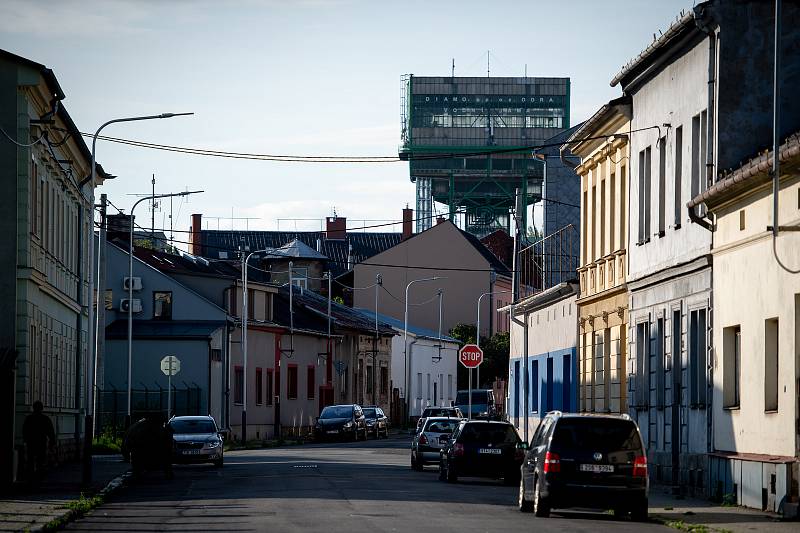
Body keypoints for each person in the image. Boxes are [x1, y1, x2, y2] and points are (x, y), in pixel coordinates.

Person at [22, 400, 56, 484]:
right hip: (41, 441)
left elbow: (25, 430)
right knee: (40, 460)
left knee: (31, 459)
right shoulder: (45, 418)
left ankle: (31, 476)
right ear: (42, 408)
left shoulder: (29, 418)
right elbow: (50, 431)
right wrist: (52, 442)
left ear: (33, 408)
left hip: (31, 441)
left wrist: (25, 440)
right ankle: (39, 476)